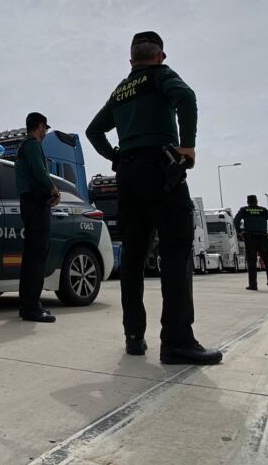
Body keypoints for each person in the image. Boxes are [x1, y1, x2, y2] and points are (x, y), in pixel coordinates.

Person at [86, 31, 222, 365]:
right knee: (176, 250)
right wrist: (187, 145)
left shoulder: (121, 90)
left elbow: (93, 131)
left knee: (133, 256)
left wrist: (115, 157)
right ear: (160, 56)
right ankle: (177, 341)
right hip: (161, 169)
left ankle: (134, 336)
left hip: (129, 175)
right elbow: (186, 99)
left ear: (131, 60)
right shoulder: (162, 76)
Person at [14, 111, 61, 322]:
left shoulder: (24, 146)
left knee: (32, 255)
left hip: (30, 203)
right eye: (45, 128)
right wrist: (54, 190)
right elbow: (39, 170)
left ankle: (29, 305)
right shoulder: (32, 145)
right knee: (37, 256)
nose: (45, 132)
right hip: (35, 204)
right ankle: (31, 306)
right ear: (39, 126)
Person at [233, 195, 268, 291]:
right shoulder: (263, 210)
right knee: (267, 262)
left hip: (250, 239)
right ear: (257, 201)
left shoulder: (244, 210)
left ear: (247, 202)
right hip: (263, 238)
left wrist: (240, 231)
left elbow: (236, 221)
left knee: (251, 262)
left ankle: (253, 285)